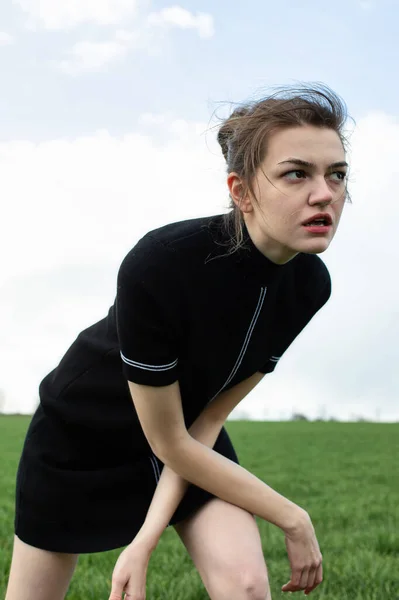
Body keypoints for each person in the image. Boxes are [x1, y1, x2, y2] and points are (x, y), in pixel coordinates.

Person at [6, 82, 351, 600]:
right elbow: (167, 440)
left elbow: (205, 422)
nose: (324, 192)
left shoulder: (309, 286)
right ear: (241, 191)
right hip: (79, 438)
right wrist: (293, 518)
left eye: (337, 174)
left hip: (188, 434)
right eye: (296, 173)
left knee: (248, 586)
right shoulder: (161, 262)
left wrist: (145, 537)